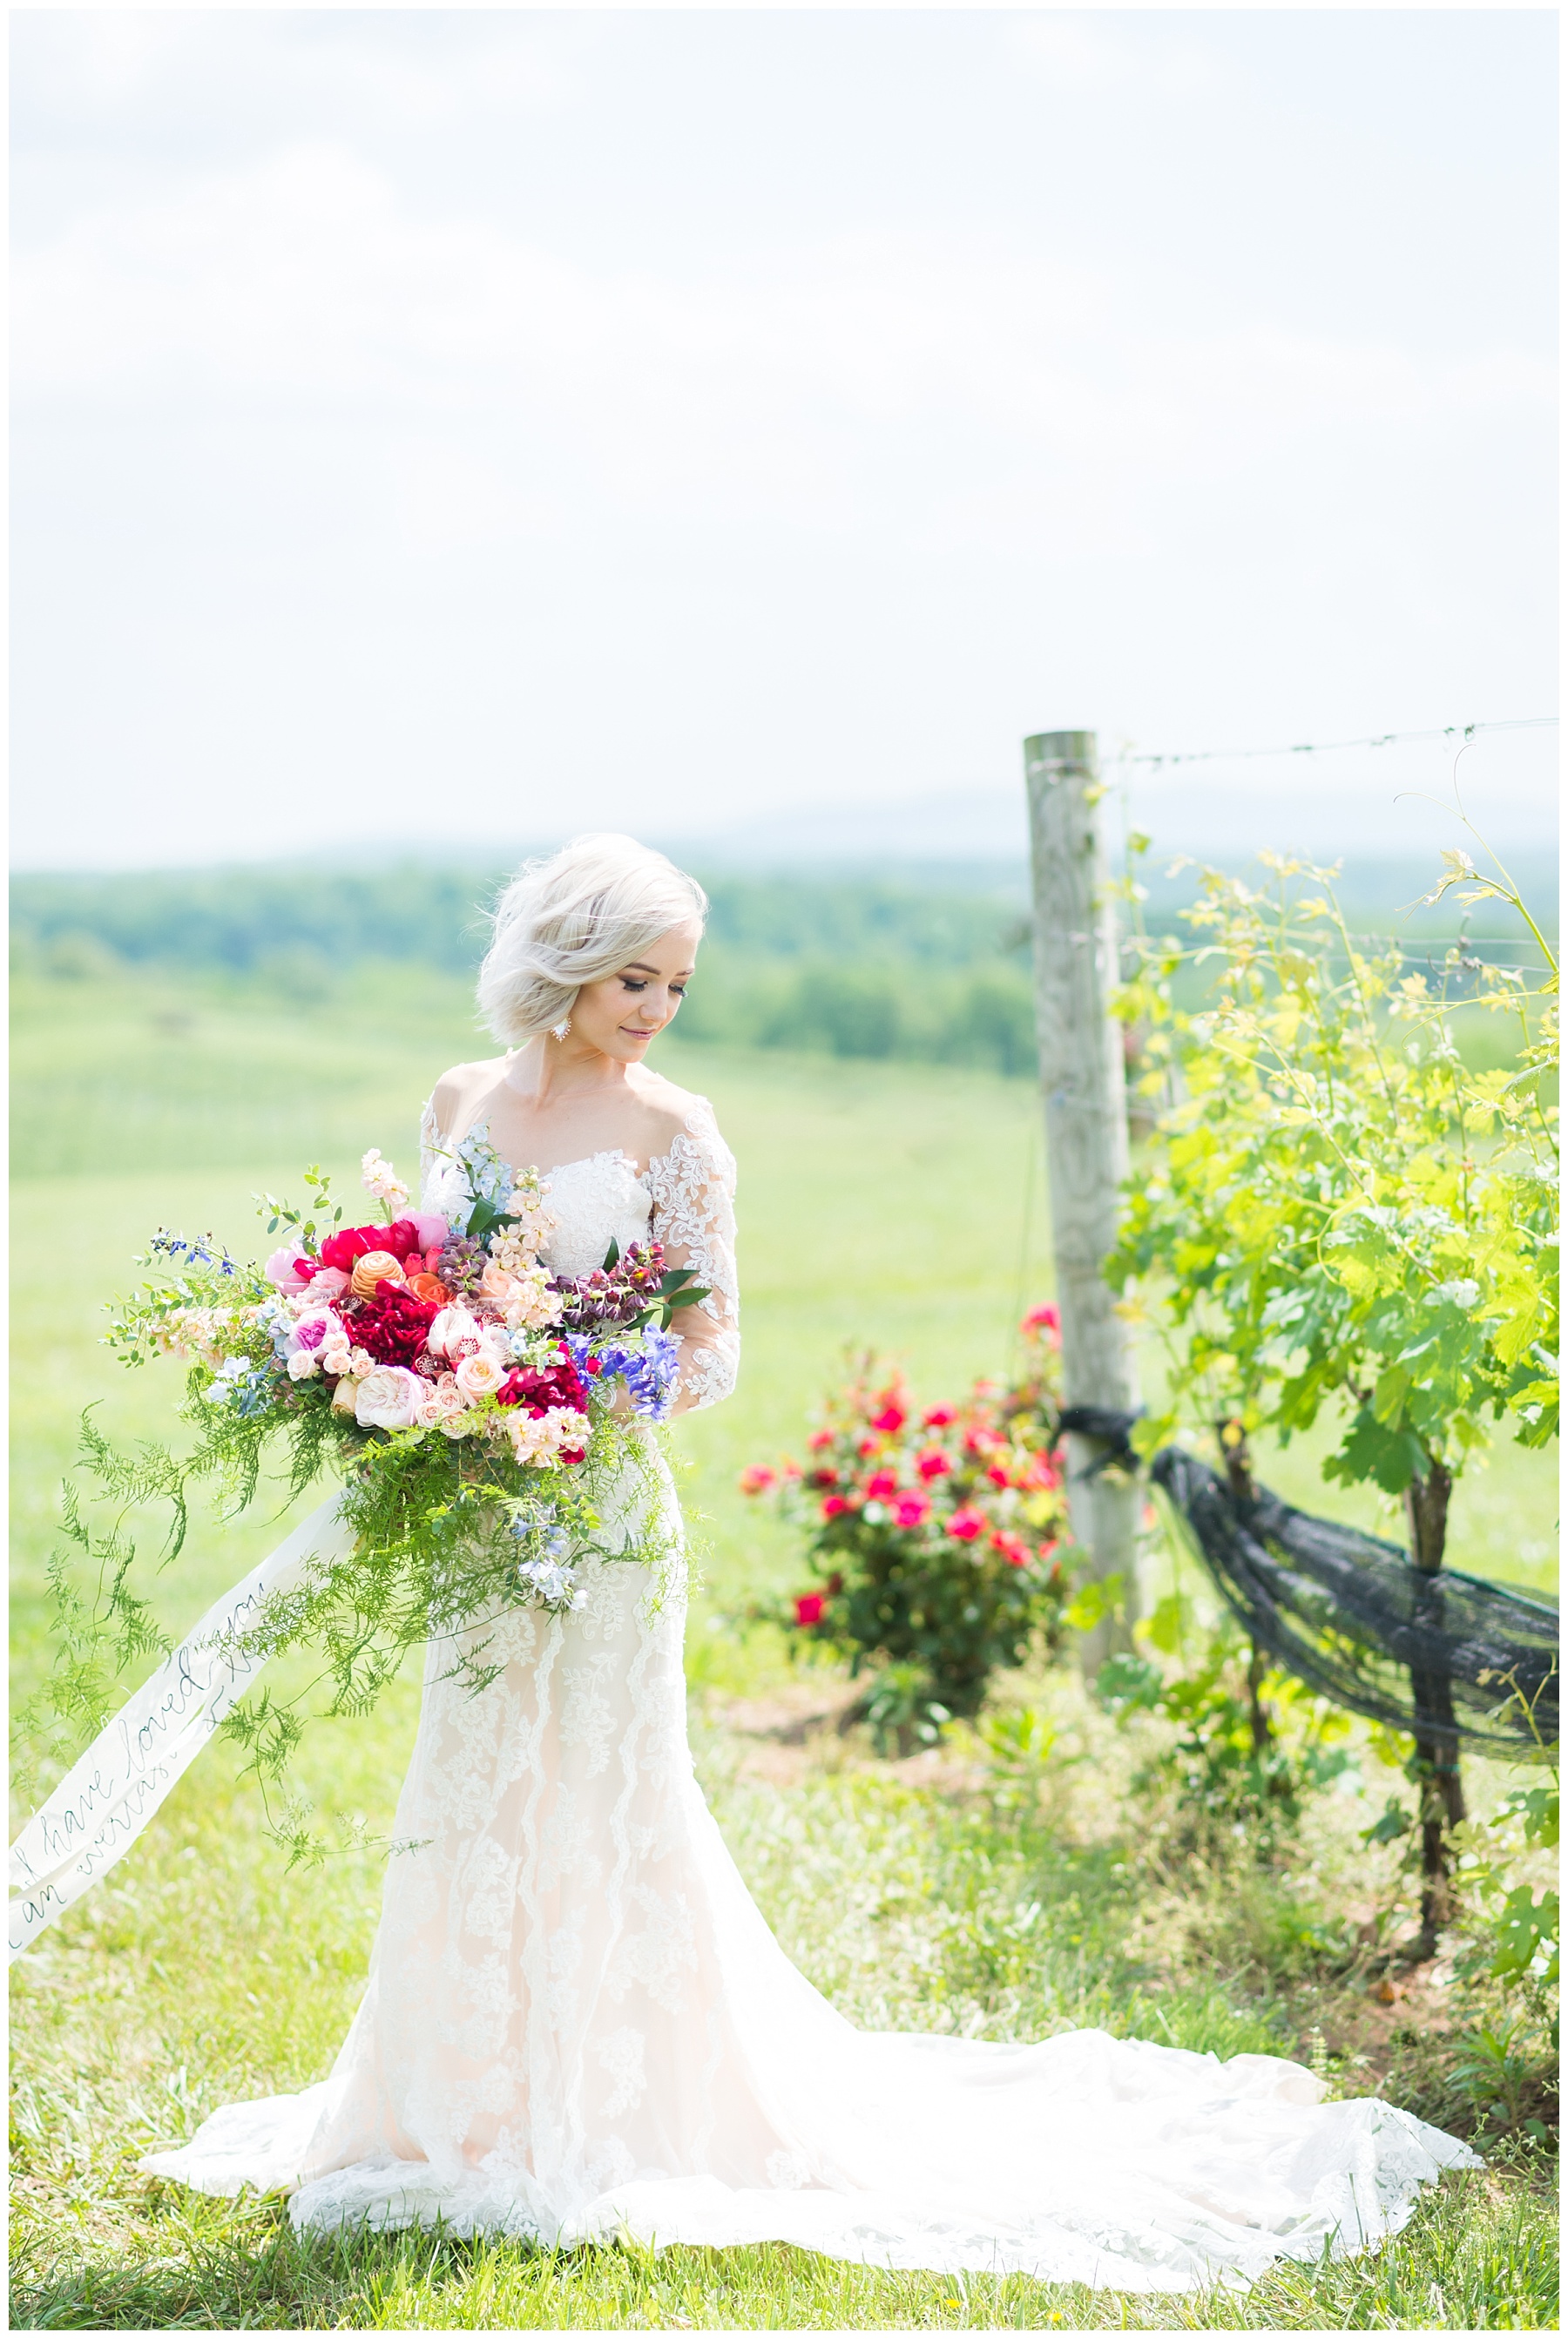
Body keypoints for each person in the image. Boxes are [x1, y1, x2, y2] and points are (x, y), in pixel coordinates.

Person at [144, 833, 1477, 2294]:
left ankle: (609, 2105)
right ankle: (453, 2100)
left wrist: (562, 1384)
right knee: (468, 1775)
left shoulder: (677, 1132)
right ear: (565, 962)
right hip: (469, 1508)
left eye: (677, 984)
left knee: (602, 1783)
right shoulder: (460, 1100)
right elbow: (422, 1269)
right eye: (634, 977)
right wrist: (407, 1349)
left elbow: (713, 1355)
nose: (656, 1006)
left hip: (594, 1512)